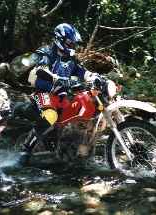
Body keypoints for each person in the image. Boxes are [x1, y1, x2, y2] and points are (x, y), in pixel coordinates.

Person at [23, 23, 103, 153]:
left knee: (75, 115)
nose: (72, 46)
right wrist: (56, 78)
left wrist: (93, 76)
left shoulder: (70, 59)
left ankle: (69, 148)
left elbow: (81, 71)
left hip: (61, 96)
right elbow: (41, 69)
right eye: (70, 43)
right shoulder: (47, 52)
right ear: (59, 39)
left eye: (73, 44)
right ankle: (25, 150)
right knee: (51, 115)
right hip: (43, 93)